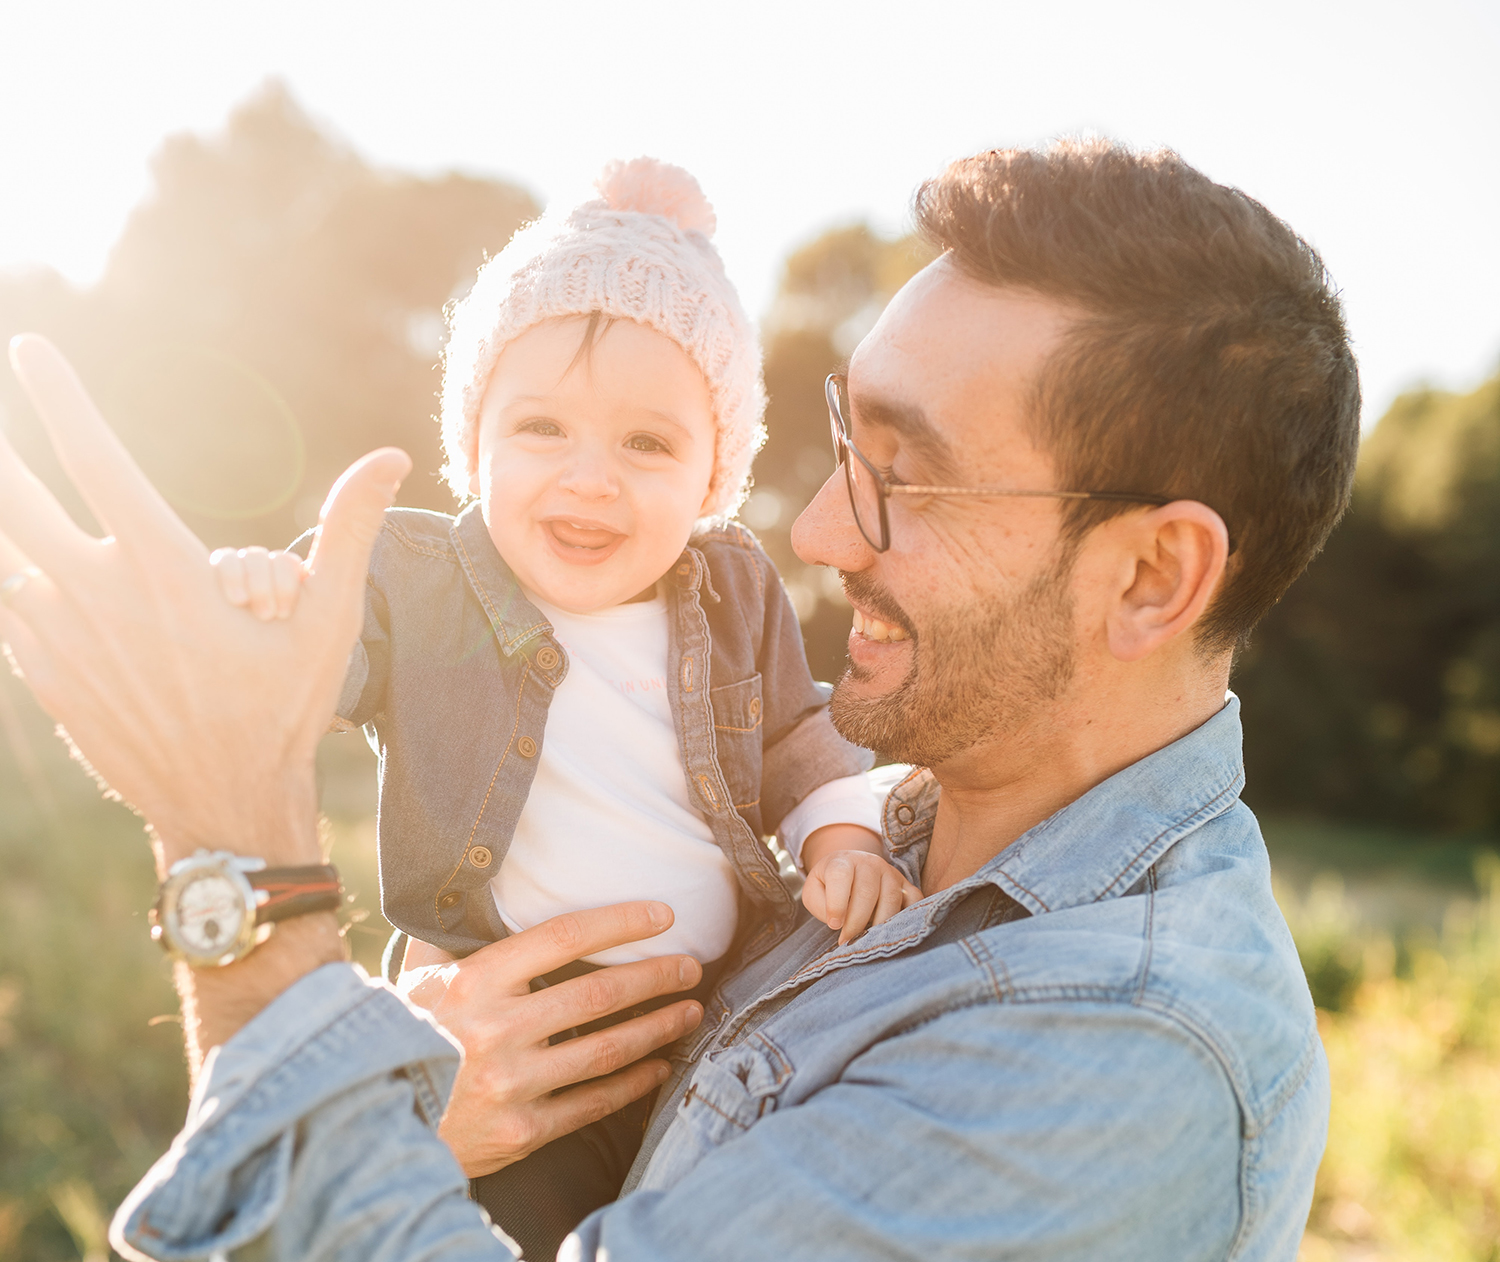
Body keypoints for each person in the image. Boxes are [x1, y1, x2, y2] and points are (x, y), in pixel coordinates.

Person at [0, 137, 1360, 1261]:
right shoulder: (889, 830)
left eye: (908, 475)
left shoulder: (1116, 1057)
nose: (819, 531)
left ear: (1151, 576)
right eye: (844, 440)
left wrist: (234, 851)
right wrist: (413, 1109)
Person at [205, 156, 908, 1259]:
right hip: (504, 1024)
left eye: (647, 443)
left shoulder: (731, 590)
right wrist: (266, 607)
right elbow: (307, 664)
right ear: (474, 438)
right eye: (542, 429)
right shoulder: (418, 577)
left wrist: (846, 834)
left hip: (707, 1035)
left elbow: (794, 736)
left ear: (714, 473)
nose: (591, 479)